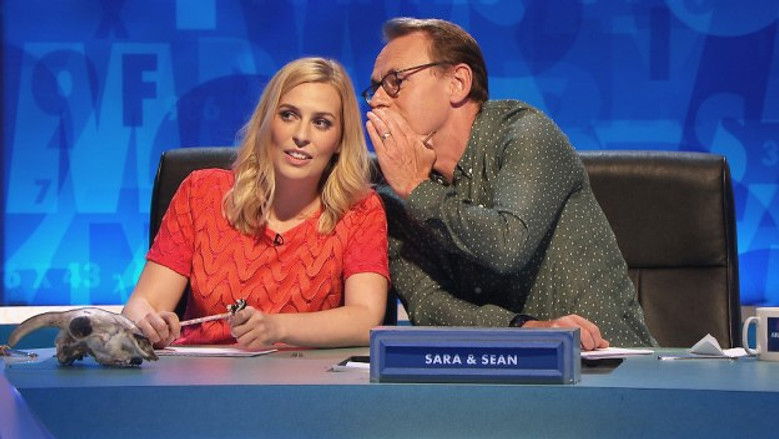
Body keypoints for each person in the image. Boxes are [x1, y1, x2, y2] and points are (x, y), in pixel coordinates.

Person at [363, 18, 656, 349]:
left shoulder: (525, 135)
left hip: (609, 362)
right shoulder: (392, 193)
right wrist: (522, 328)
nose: (377, 101)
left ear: (457, 83)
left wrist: (418, 189)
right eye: (374, 89)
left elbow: (507, 245)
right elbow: (426, 303)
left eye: (395, 81)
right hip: (499, 369)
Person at [123, 57, 389, 349]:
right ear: (267, 121)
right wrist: (146, 321)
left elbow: (365, 318)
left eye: (321, 123)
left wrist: (277, 327)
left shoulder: (360, 210)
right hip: (201, 372)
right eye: (288, 115)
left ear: (339, 140)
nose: (301, 136)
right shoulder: (200, 193)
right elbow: (144, 303)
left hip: (302, 375)